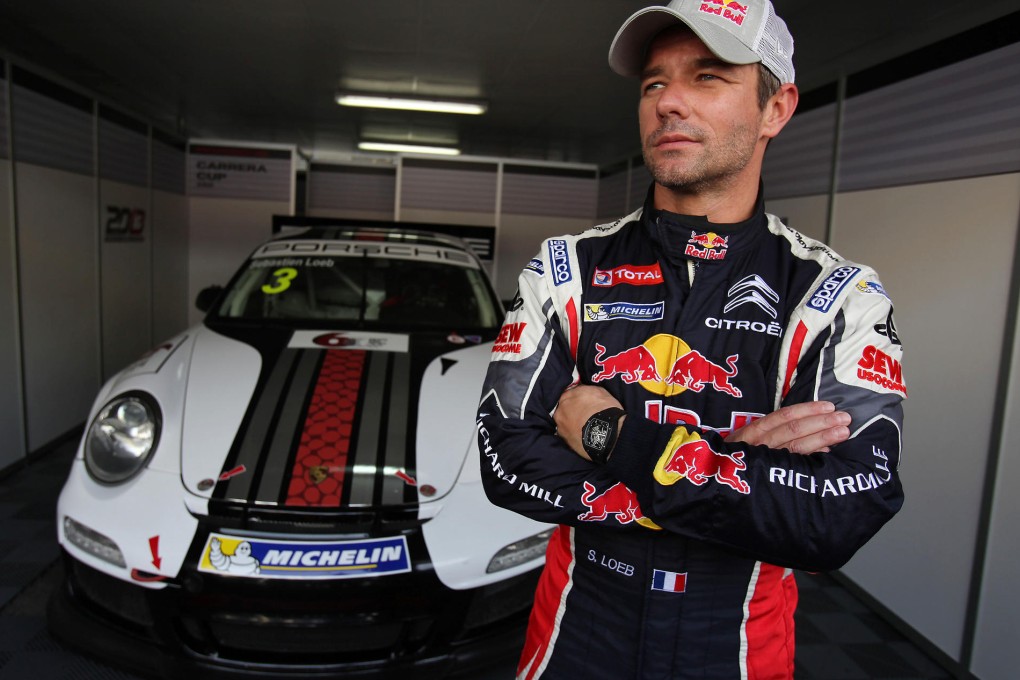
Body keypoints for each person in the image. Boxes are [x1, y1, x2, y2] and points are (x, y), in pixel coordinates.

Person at [476, 0, 905, 678]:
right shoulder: (564, 268)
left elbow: (841, 515)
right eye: (653, 82)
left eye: (708, 76)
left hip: (735, 649)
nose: (669, 101)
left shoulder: (837, 295)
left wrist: (614, 440)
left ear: (776, 108)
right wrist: (734, 473)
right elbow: (505, 458)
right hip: (573, 637)